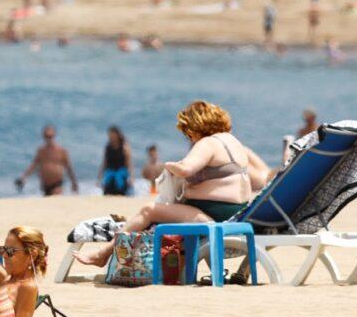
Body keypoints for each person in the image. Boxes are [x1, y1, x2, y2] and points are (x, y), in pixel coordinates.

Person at [76, 101, 266, 267]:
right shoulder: (234, 143)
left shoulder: (207, 143)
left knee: (148, 211)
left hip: (214, 217)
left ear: (196, 126)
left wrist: (169, 167)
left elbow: (186, 169)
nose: (189, 138)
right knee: (160, 212)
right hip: (236, 215)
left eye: (188, 133)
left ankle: (103, 254)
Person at [16, 125, 78, 196]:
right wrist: (23, 177)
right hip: (45, 186)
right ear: (43, 136)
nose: (49, 139)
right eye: (47, 136)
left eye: (50, 136)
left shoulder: (62, 151)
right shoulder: (41, 151)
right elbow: (33, 166)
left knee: (55, 201)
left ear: (54, 136)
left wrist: (74, 183)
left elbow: (69, 168)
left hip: (57, 185)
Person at [98, 126, 133, 196]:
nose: (111, 137)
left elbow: (129, 163)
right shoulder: (108, 147)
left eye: (112, 135)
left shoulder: (124, 147)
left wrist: (131, 177)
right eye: (109, 135)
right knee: (107, 184)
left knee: (120, 182)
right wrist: (99, 176)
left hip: (121, 171)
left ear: (117, 135)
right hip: (110, 171)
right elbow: (104, 163)